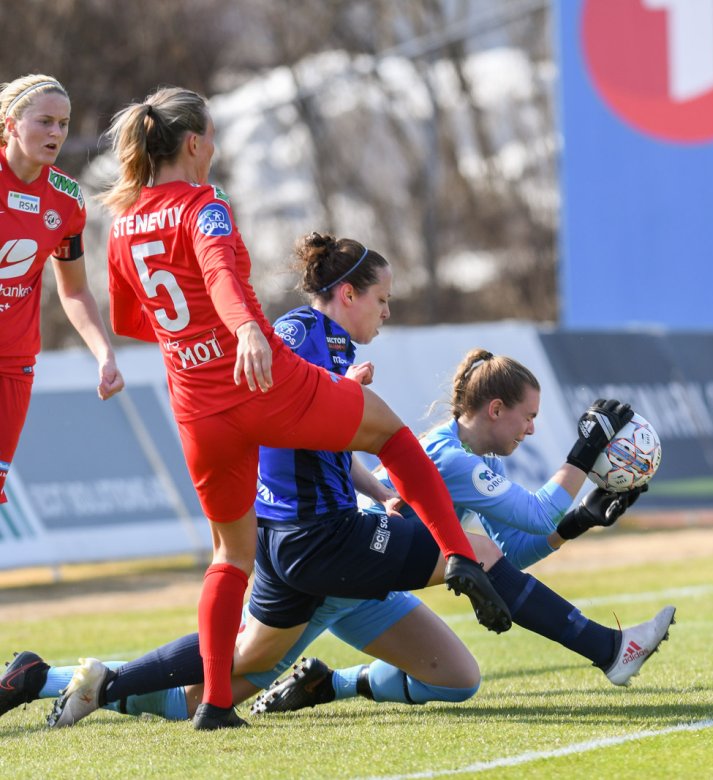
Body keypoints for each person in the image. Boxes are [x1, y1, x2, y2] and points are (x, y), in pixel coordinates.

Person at [28, 232, 670, 726]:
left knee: (255, 665)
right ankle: (609, 649)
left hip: (305, 543)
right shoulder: (309, 337)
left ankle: (83, 684)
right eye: (382, 300)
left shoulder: (323, 346)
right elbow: (288, 414)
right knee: (468, 550)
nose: (386, 313)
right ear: (347, 295)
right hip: (322, 540)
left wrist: (375, 483)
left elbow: (320, 435)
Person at [98, 87, 541, 729]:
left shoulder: (123, 222)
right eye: (211, 137)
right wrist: (244, 332)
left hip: (196, 407)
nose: (214, 148)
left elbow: (128, 319)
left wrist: (192, 339)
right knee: (389, 433)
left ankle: (216, 704)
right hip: (259, 381)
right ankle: (459, 554)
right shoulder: (203, 204)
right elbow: (220, 274)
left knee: (228, 558)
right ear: (193, 142)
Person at [0, 75, 124, 504]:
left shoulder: (66, 200)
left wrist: (104, 354)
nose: (56, 133)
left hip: (12, 365)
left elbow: (74, 291)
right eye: (45, 122)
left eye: (64, 124)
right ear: (11, 125)